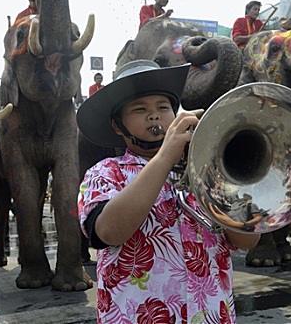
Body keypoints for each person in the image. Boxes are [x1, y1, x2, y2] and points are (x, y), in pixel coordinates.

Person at [76, 60, 260, 322]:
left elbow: (247, 241)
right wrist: (164, 159)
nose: (154, 115)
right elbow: (106, 232)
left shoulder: (207, 170)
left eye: (163, 108)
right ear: (118, 126)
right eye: (140, 109)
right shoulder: (106, 172)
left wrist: (219, 177)